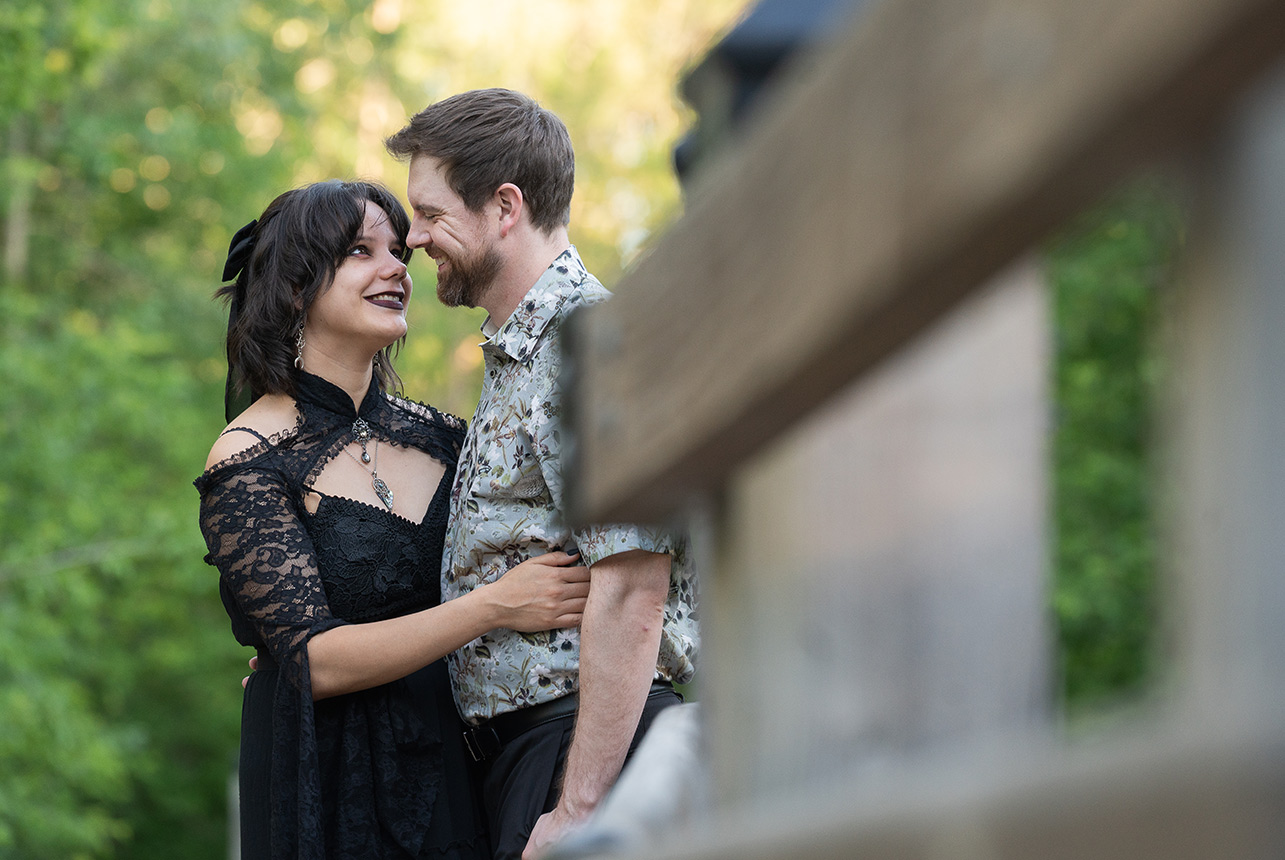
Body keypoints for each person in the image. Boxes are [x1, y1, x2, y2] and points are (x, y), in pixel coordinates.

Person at [194, 179, 591, 860]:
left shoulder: (444, 437)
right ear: (295, 288)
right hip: (331, 775)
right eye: (359, 251)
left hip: (463, 760)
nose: (395, 267)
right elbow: (314, 661)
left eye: (396, 250)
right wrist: (493, 607)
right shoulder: (249, 454)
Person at [384, 89, 700, 860]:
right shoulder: (521, 351)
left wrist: (578, 808)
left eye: (429, 214)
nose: (414, 238)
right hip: (529, 757)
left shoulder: (581, 344)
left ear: (504, 206)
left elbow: (632, 586)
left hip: (577, 752)